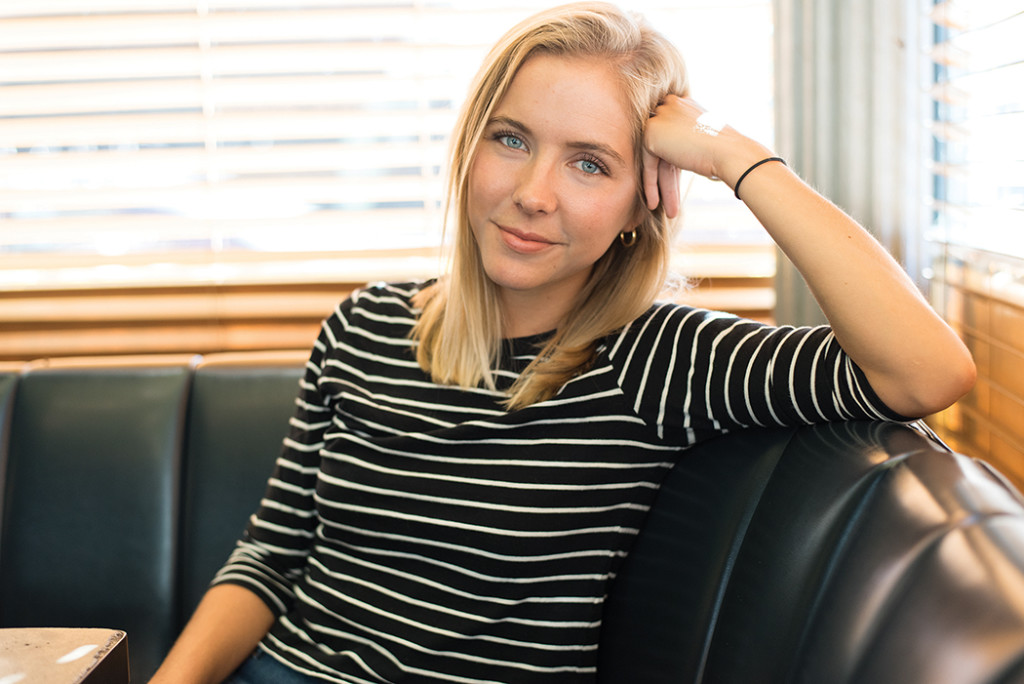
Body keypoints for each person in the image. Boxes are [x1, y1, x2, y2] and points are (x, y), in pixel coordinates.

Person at [149, 2, 975, 683]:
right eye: (510, 139)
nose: (533, 194)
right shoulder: (364, 324)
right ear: (468, 151)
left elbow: (925, 369)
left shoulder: (657, 361)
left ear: (640, 203)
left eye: (590, 164)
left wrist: (735, 154)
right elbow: (269, 552)